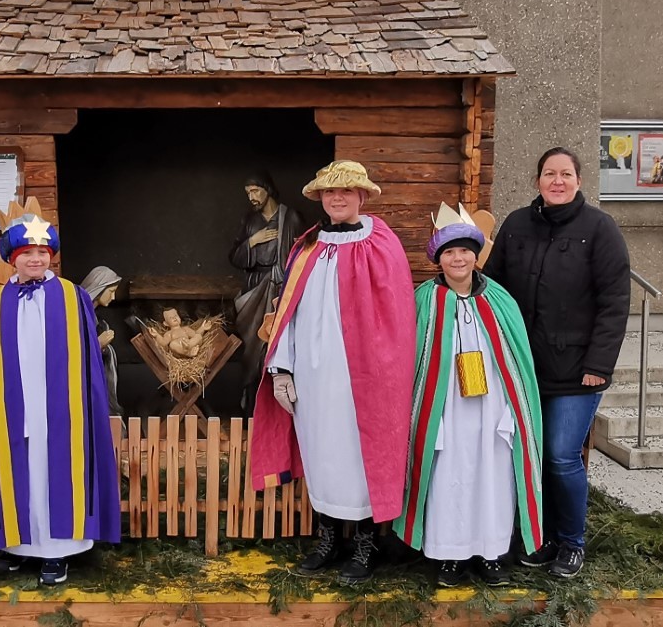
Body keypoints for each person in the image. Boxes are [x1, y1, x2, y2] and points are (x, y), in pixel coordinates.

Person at [250, 160, 416, 585]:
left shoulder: (382, 244)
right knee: (322, 454)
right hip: (313, 376)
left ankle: (365, 543)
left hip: (365, 379)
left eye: (345, 191)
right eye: (329, 192)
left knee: (360, 458)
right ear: (320, 198)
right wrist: (282, 369)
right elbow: (286, 311)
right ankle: (328, 539)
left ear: (362, 196)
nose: (337, 198)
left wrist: (387, 374)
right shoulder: (306, 247)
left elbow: (396, 317)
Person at [485, 147, 630, 579]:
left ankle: (571, 542)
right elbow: (492, 287)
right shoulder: (516, 225)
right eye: (549, 174)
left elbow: (614, 302)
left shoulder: (600, 229)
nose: (557, 181)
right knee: (526, 455)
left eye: (566, 174)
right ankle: (539, 536)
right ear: (538, 181)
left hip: (577, 372)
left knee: (561, 456)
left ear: (579, 181)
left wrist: (599, 364)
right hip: (523, 367)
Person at [393, 203, 543, 588]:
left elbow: (518, 362)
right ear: (438, 258)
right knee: (448, 479)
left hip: (492, 410)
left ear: (477, 255)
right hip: (444, 410)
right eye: (449, 252)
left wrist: (511, 410)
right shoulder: (423, 299)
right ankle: (450, 555)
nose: (458, 258)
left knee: (493, 479)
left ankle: (491, 553)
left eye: (464, 250)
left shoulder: (500, 299)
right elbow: (406, 357)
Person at [0, 213, 121, 586]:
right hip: (15, 405)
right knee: (20, 469)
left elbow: (87, 356)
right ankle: (18, 545)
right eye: (27, 252)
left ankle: (57, 551)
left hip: (61, 405)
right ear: (12, 258)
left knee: (56, 470)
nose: (36, 259)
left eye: (42, 251)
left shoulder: (73, 296)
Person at [228, 171, 306, 414]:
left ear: (268, 189)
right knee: (251, 349)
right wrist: (253, 241)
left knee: (276, 347)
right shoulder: (250, 221)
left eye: (255, 191)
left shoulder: (290, 218)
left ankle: (277, 410)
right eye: (248, 193)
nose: (251, 197)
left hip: (280, 290)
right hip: (254, 289)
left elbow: (302, 253)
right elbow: (234, 257)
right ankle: (251, 407)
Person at [80, 266, 123, 417]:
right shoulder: (79, 314)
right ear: (99, 288)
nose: (113, 297)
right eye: (111, 291)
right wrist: (98, 343)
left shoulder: (93, 316)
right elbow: (72, 349)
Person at [148, 308, 213, 358]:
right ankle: (188, 353)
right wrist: (156, 335)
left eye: (176, 315)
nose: (174, 318)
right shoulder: (169, 333)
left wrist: (203, 328)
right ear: (166, 323)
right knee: (172, 345)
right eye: (170, 318)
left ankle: (188, 347)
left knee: (198, 336)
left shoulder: (185, 329)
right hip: (179, 349)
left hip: (189, 343)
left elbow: (195, 334)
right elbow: (163, 343)